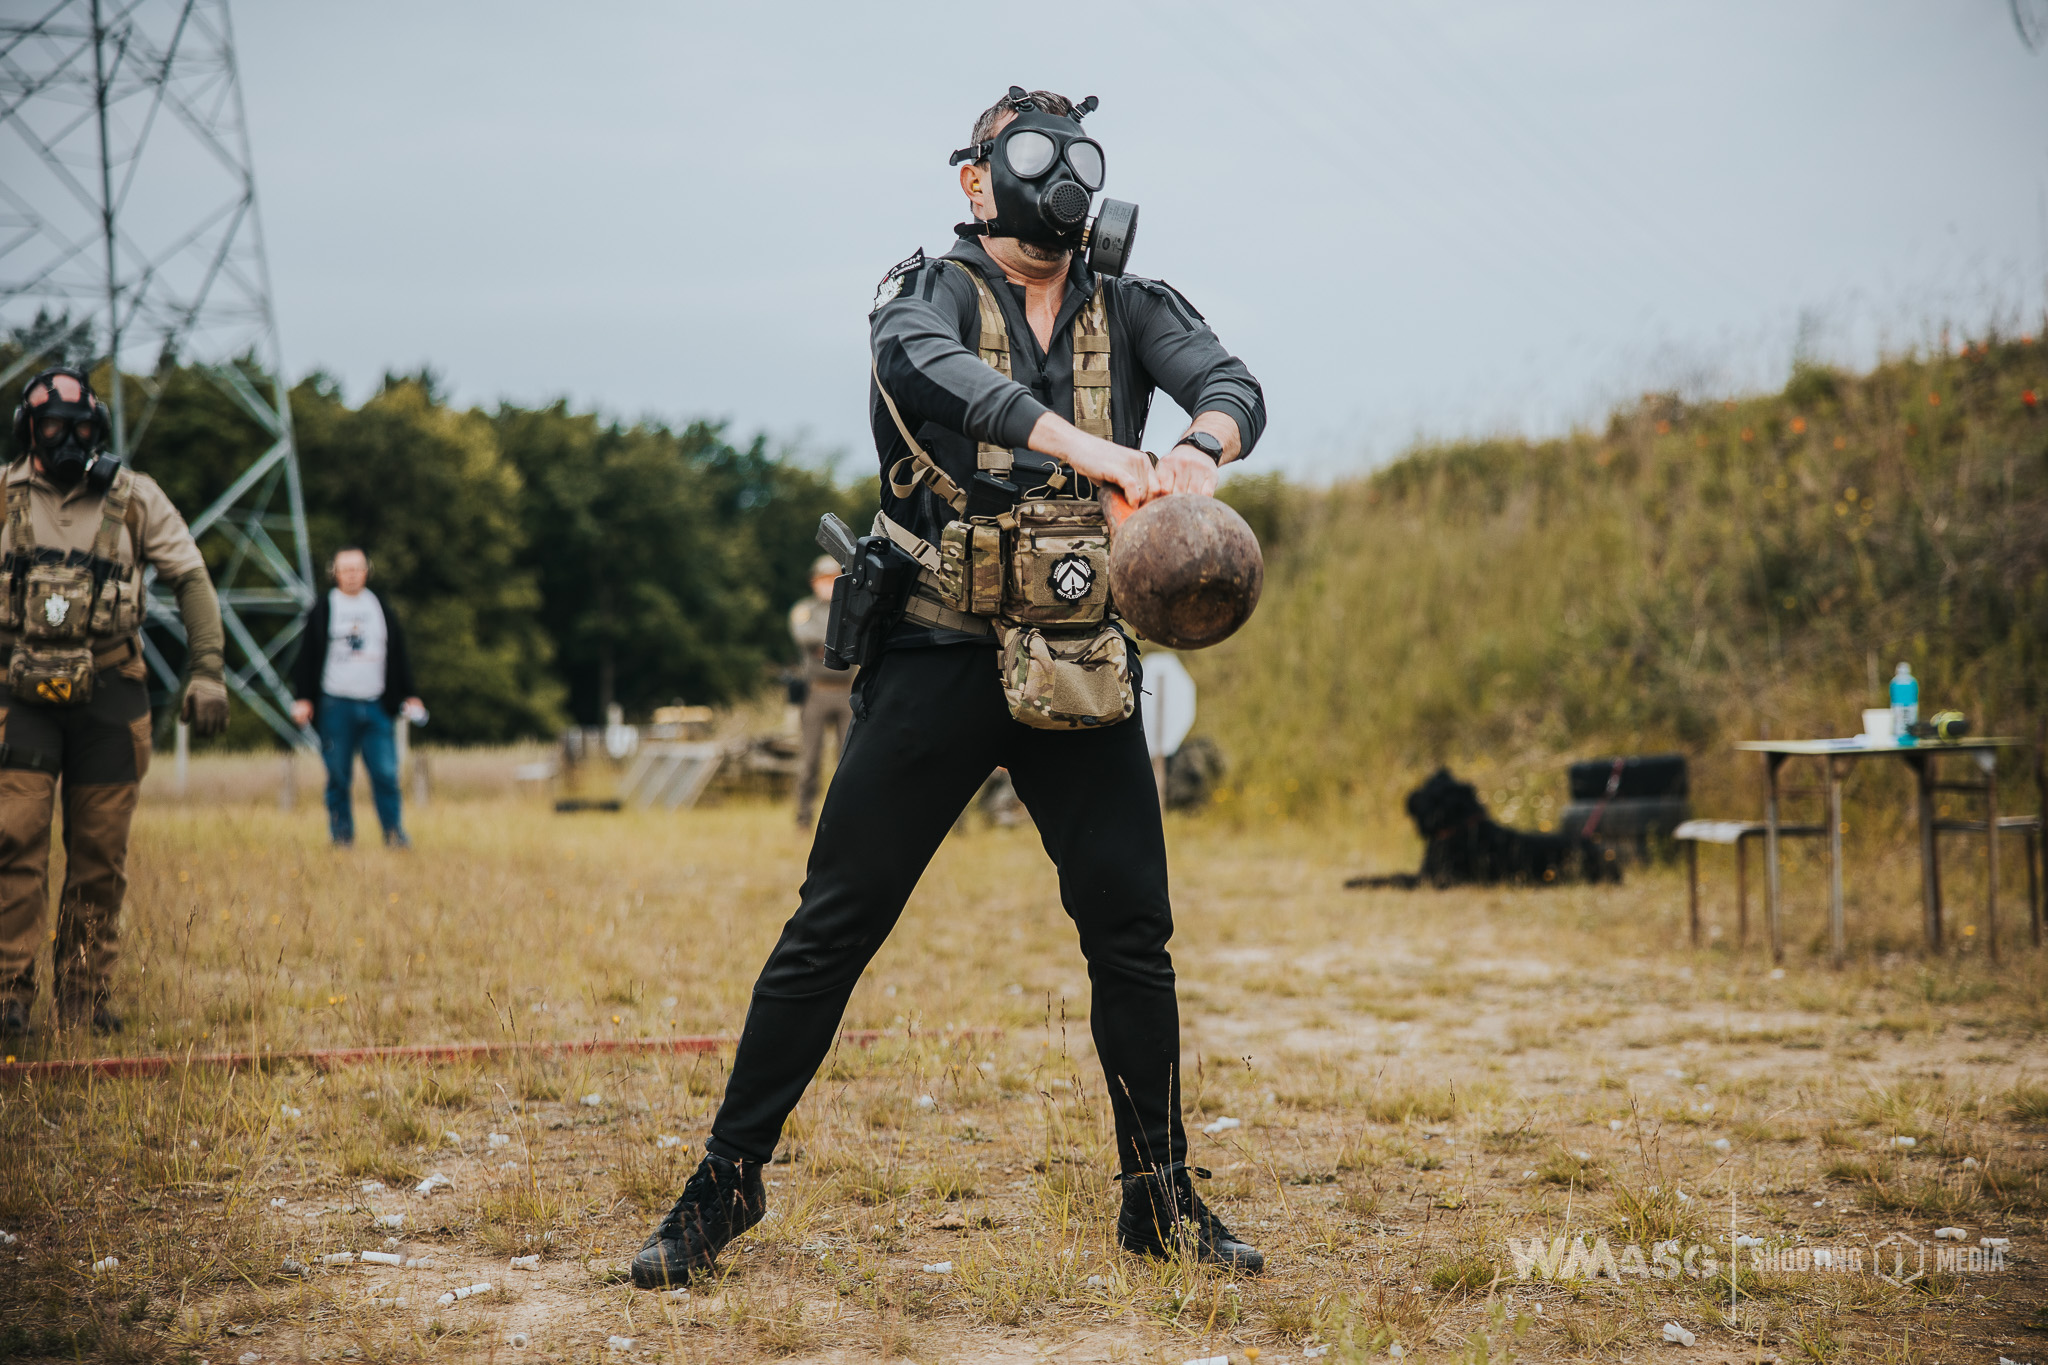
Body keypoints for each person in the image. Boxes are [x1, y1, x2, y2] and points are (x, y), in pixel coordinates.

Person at [631, 87, 1267, 1287]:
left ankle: (1158, 1196)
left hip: (1078, 652)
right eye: (1034, 153)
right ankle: (721, 1187)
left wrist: (1199, 449)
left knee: (1131, 934)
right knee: (832, 927)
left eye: (1076, 151)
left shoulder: (1128, 304)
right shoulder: (924, 296)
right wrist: (1088, 448)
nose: (1061, 174)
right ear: (976, 180)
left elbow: (1230, 380)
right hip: (935, 645)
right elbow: (928, 377)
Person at [0, 367, 229, 1039]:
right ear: (29, 433)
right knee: (14, 839)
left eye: (80, 430)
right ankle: (9, 990)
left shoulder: (135, 499)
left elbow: (190, 577)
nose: (67, 442)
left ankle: (85, 995)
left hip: (109, 691)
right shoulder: (3, 495)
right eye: (53, 429)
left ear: (98, 433)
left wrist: (208, 669)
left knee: (100, 852)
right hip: (19, 693)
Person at [288, 548, 421, 848]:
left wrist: (410, 694)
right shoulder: (323, 609)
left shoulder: (380, 608)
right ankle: (342, 837)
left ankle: (394, 834)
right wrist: (304, 698)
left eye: (357, 568)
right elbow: (307, 658)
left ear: (366, 571)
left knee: (386, 773)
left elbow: (398, 655)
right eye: (345, 569)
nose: (351, 574)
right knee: (338, 775)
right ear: (334, 572)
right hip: (336, 704)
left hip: (376, 706)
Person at [788, 554, 854, 829]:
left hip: (846, 691)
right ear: (814, 582)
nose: (828, 585)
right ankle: (803, 819)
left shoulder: (850, 607)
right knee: (809, 760)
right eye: (823, 580)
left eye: (832, 579)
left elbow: (855, 637)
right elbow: (806, 637)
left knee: (849, 760)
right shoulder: (804, 610)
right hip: (816, 692)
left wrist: (827, 645)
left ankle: (847, 819)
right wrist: (838, 642)